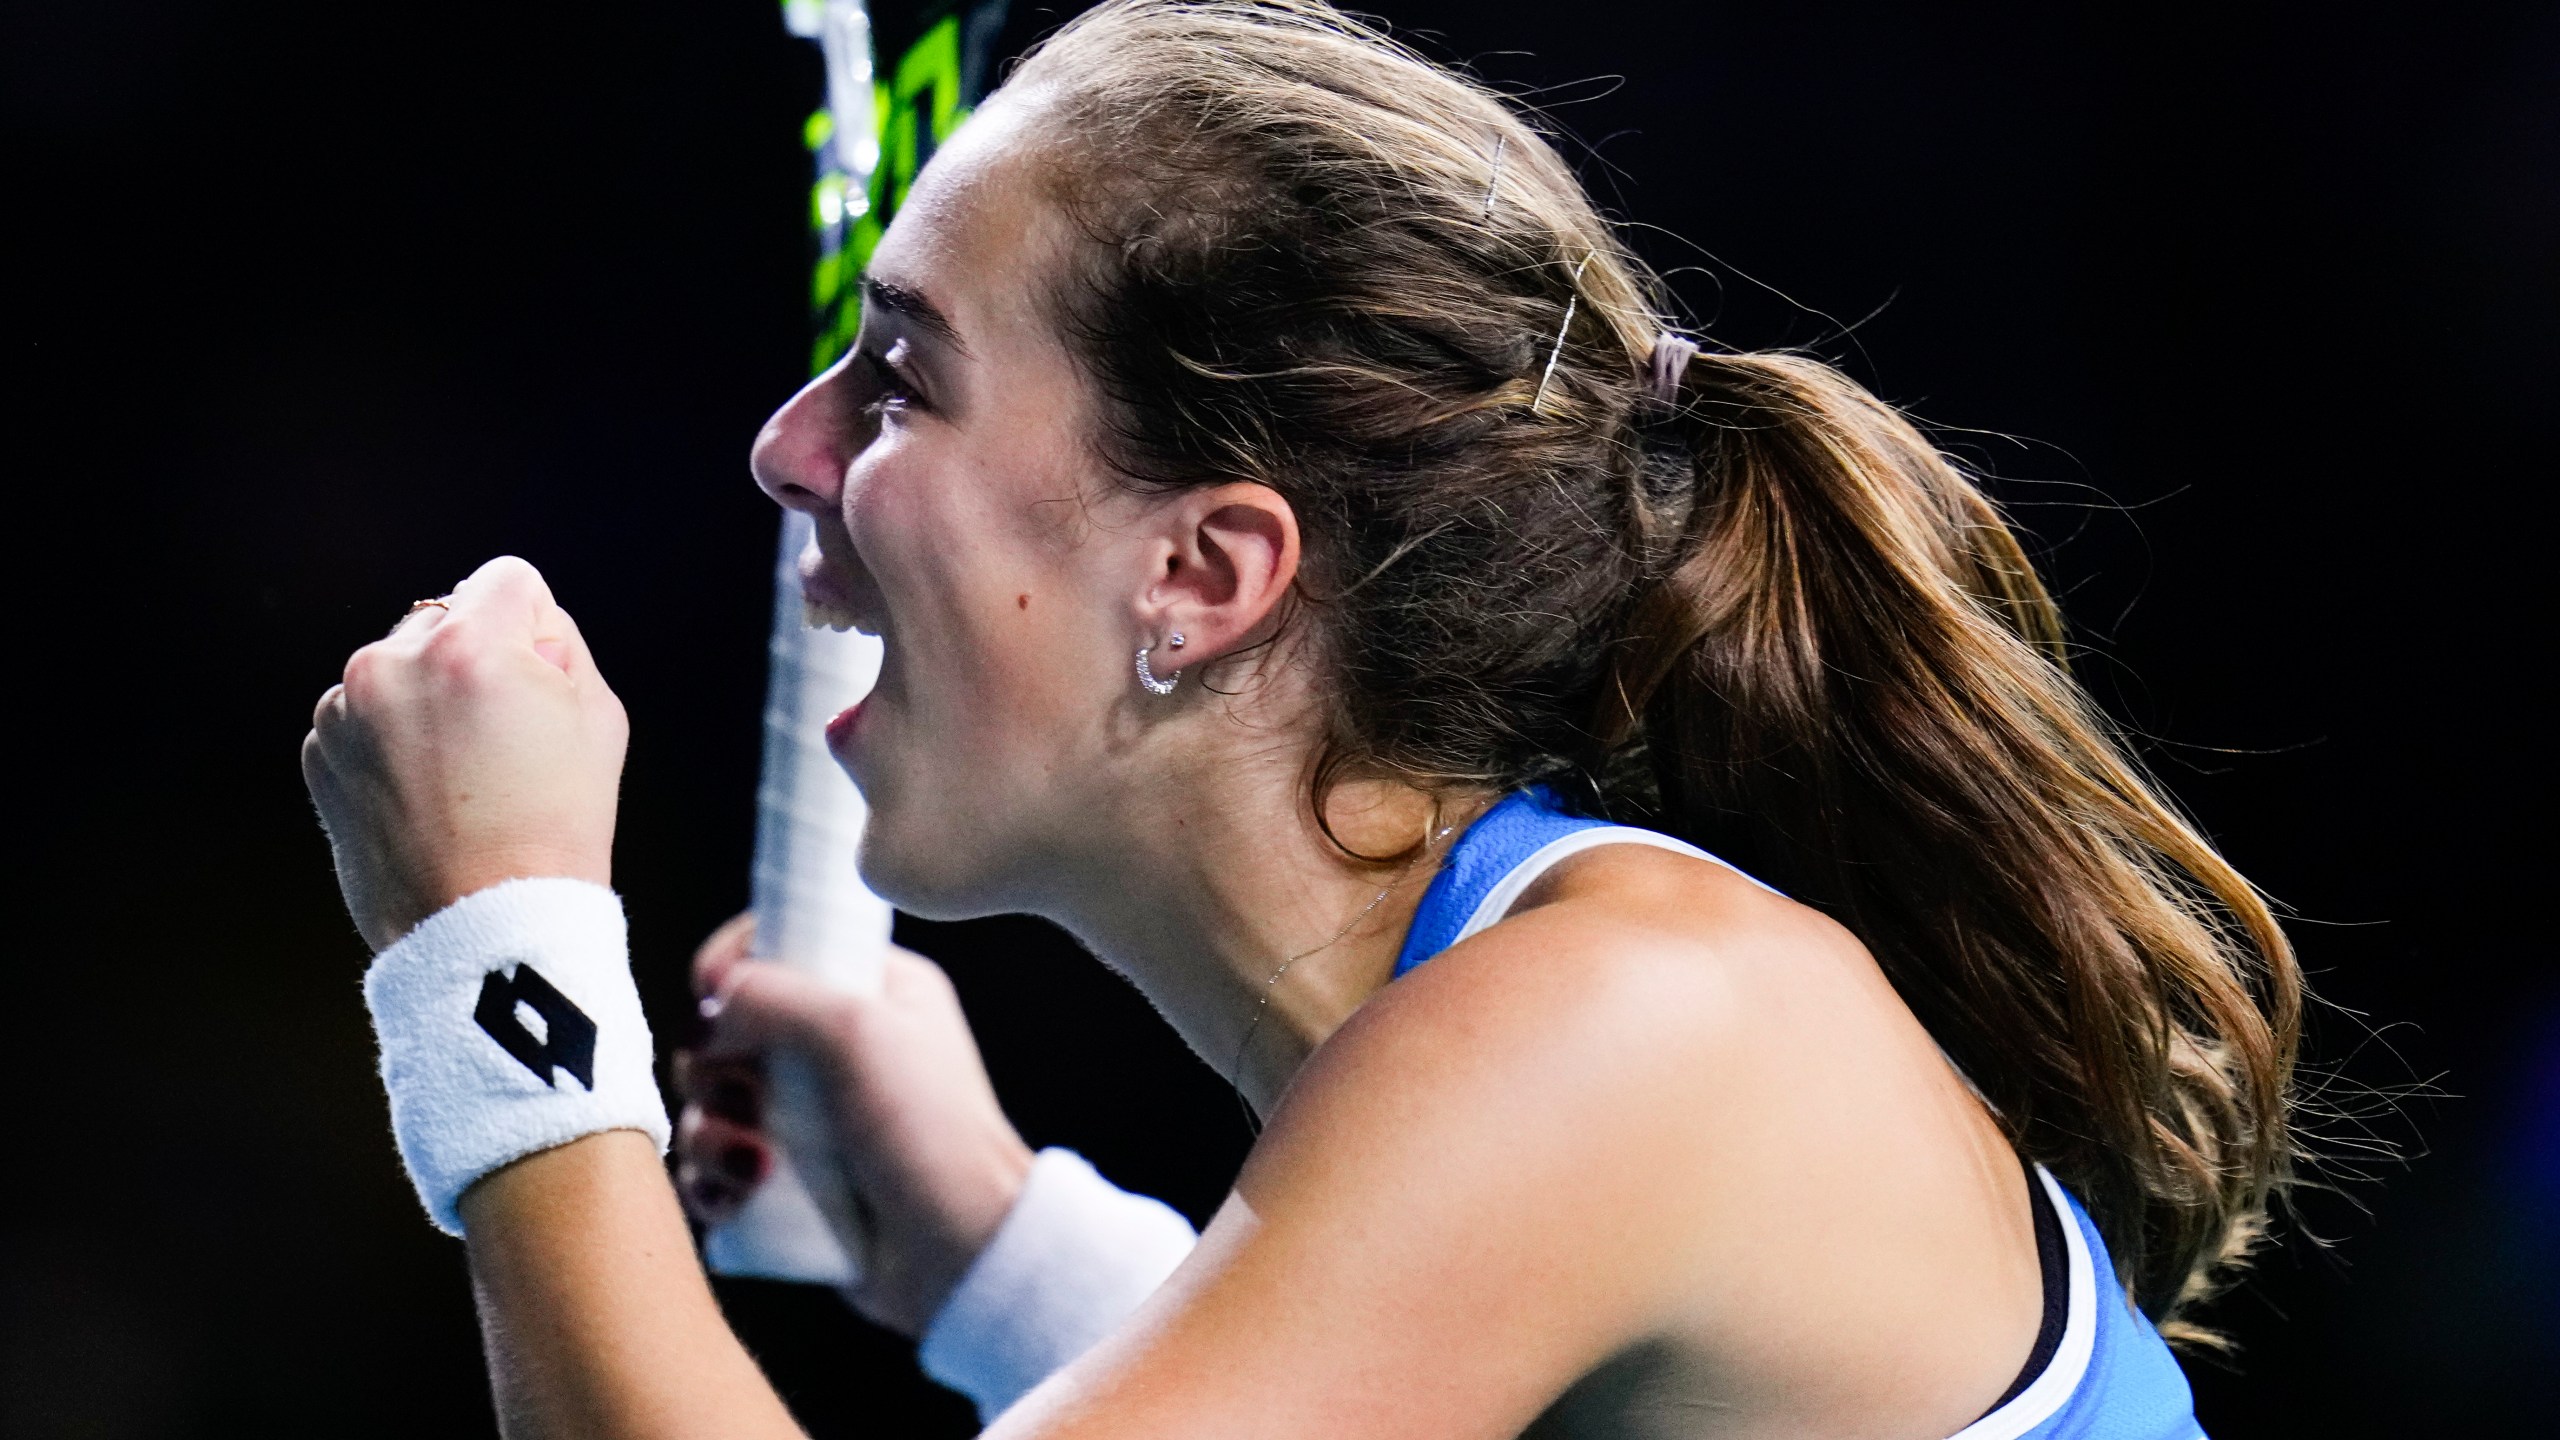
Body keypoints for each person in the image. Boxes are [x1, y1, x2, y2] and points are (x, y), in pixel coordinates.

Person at [300, 3, 2300, 1435]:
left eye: (900, 379)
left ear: (1202, 575)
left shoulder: (1618, 1034)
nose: (781, 446)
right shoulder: (1567, 1020)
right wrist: (990, 1252)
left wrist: (500, 968)